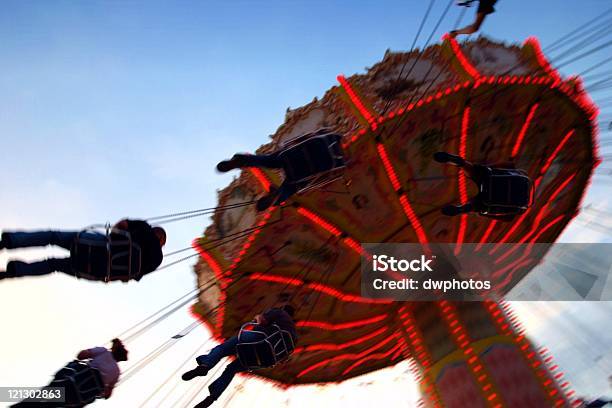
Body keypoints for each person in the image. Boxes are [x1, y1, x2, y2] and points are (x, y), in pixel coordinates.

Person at [182, 305, 297, 408]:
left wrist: (257, 317)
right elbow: (284, 358)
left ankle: (205, 366)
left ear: (283, 309)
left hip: (259, 340)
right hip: (265, 359)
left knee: (222, 349)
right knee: (231, 369)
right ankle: (212, 397)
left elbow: (262, 321)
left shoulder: (279, 313)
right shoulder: (294, 336)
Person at [216, 129, 345, 211]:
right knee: (274, 162)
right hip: (317, 158)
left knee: (280, 170)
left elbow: (307, 137)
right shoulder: (332, 138)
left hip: (307, 161)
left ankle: (276, 196)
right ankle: (246, 161)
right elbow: (308, 136)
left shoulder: (331, 139)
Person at [0, 219, 166, 281]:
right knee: (53, 265)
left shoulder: (144, 227)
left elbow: (122, 226)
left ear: (154, 231)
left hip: (95, 245)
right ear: (162, 243)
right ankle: (13, 271)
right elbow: (129, 277)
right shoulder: (157, 260)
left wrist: (115, 236)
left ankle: (8, 242)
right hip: (97, 270)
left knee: (53, 237)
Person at [12, 339, 128, 407]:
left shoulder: (103, 351)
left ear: (113, 349)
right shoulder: (117, 373)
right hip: (79, 398)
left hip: (72, 382)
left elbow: (81, 355)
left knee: (40, 397)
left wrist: (89, 355)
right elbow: (107, 395)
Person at [434, 152, 533, 221]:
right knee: (478, 206)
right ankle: (464, 208)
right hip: (491, 200)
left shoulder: (525, 176)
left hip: (492, 179)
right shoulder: (522, 208)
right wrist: (485, 214)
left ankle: (460, 163)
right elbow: (508, 218)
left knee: (474, 170)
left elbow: (510, 165)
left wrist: (488, 167)